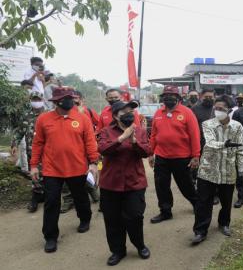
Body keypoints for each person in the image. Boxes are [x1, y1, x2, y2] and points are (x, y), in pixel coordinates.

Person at [30, 87, 99, 253]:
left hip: (77, 167)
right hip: (52, 169)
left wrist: (94, 163)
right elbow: (38, 143)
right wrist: (33, 166)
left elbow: (90, 142)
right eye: (66, 99)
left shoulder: (82, 119)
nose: (70, 101)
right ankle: (50, 237)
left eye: (71, 98)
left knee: (80, 197)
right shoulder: (43, 119)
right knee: (51, 202)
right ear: (56, 101)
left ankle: (85, 219)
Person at [98, 100, 152, 266]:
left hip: (134, 182)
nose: (129, 114)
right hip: (110, 183)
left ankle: (140, 245)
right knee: (112, 219)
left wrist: (135, 141)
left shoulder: (141, 131)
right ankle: (117, 250)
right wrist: (122, 138)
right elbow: (103, 149)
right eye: (124, 112)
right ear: (115, 115)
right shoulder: (106, 131)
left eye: (131, 111)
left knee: (135, 216)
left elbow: (147, 151)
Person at [191, 95, 243, 244]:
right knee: (204, 202)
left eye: (221, 109)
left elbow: (241, 150)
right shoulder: (207, 124)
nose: (218, 111)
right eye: (216, 108)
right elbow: (209, 143)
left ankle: (224, 224)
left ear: (229, 110)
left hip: (228, 170)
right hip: (208, 170)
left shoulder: (237, 127)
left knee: (227, 201)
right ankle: (200, 231)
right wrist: (225, 145)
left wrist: (241, 170)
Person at [148, 85, 200, 224]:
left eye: (172, 97)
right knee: (161, 185)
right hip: (162, 157)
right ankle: (165, 211)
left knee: (186, 184)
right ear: (162, 98)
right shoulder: (158, 113)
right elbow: (153, 135)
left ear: (178, 98)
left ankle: (197, 204)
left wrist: (195, 156)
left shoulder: (187, 112)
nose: (168, 99)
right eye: (166, 97)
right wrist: (150, 153)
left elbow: (194, 135)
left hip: (182, 157)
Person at [10, 91, 46, 212]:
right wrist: (14, 144)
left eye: (38, 99)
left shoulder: (49, 115)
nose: (36, 102)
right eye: (34, 99)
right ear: (30, 100)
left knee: (48, 175)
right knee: (35, 174)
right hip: (32, 152)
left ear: (42, 100)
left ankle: (44, 195)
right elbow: (19, 132)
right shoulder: (26, 116)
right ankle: (36, 197)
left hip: (48, 153)